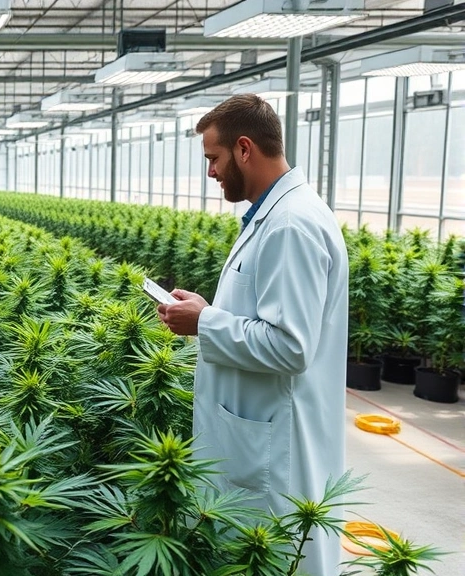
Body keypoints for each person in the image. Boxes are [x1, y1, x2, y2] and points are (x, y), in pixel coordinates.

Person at [156, 94, 349, 576]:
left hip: (274, 451)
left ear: (244, 149)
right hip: (260, 432)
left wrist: (205, 322)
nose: (211, 173)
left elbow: (290, 345)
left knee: (272, 560)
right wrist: (207, 314)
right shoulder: (277, 215)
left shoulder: (291, 225)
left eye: (214, 159)